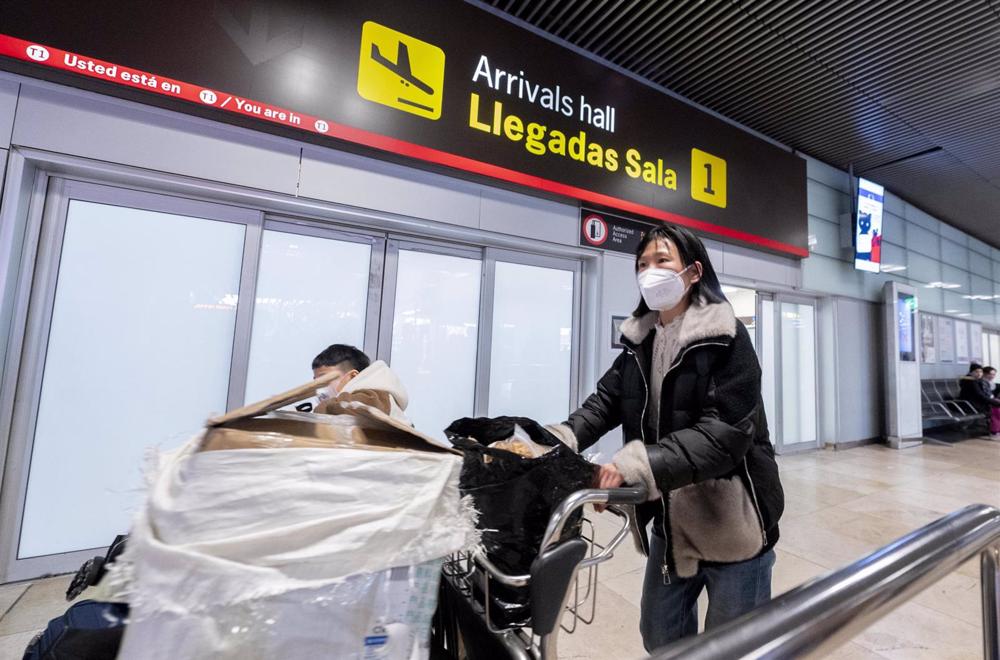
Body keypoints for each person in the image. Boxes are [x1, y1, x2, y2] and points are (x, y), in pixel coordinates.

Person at [547, 225, 783, 651]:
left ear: (693, 272)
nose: (649, 272)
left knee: (732, 646)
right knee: (661, 638)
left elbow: (722, 436)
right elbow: (604, 403)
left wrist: (632, 466)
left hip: (734, 524)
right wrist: (557, 439)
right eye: (642, 264)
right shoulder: (641, 340)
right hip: (671, 524)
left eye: (662, 261)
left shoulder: (727, 339)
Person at [311, 343, 411, 424]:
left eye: (324, 380)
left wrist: (314, 412)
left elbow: (344, 409)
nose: (317, 387)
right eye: (315, 381)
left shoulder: (375, 395)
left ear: (352, 377)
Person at [979, 366, 1000, 438]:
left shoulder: (991, 382)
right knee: (996, 409)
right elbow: (986, 394)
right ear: (985, 374)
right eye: (990, 374)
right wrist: (994, 399)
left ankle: (996, 429)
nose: (992, 376)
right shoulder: (982, 382)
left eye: (994, 374)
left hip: (991, 400)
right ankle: (994, 431)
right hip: (985, 401)